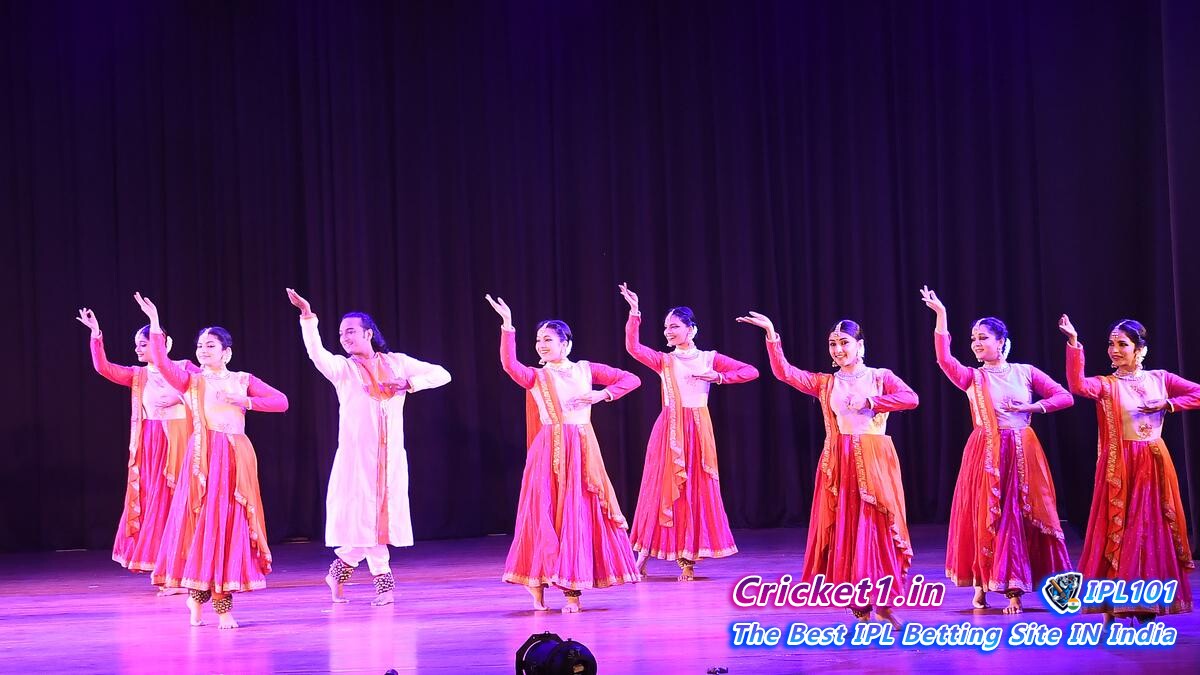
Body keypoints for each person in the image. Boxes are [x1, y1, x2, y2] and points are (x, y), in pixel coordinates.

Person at [738, 311, 917, 627]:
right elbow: (785, 373)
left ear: (860, 345)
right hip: (840, 460)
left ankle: (885, 603)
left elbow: (910, 398)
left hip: (876, 458)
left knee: (877, 529)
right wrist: (771, 332)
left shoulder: (880, 376)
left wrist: (872, 402)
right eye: (833, 344)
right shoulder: (826, 383)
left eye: (844, 342)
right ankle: (859, 605)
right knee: (847, 530)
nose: (838, 349)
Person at [286, 288, 451, 606]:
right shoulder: (343, 370)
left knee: (376, 520)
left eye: (350, 331)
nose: (344, 337)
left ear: (368, 333)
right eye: (341, 333)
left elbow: (442, 374)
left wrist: (409, 383)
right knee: (368, 519)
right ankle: (384, 583)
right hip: (357, 458)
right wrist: (308, 317)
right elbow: (316, 353)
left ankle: (338, 571)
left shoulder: (398, 364)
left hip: (389, 458)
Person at [136, 293, 288, 628]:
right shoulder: (192, 379)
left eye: (211, 345)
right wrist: (156, 322)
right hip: (204, 459)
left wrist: (243, 400)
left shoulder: (243, 380)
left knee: (229, 524)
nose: (204, 350)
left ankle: (221, 603)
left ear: (227, 352)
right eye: (201, 345)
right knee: (203, 523)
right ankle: (197, 596)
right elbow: (160, 362)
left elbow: (281, 402)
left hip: (236, 456)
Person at [920, 286, 1072, 614]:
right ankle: (981, 583)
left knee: (1019, 515)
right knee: (986, 517)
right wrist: (941, 316)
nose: (976, 343)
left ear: (1000, 341)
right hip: (985, 452)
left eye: (983, 337)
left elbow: (1065, 396)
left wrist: (1034, 407)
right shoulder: (972, 377)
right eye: (973, 338)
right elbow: (944, 359)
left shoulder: (1025, 372)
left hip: (1022, 451)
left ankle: (1015, 589)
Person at [485, 293, 640, 613]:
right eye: (539, 340)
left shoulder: (586, 370)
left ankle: (572, 591)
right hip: (548, 450)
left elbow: (632, 378)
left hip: (582, 449)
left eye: (549, 339)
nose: (542, 344)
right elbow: (509, 365)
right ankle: (536, 583)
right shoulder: (537, 376)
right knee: (543, 513)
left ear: (565, 344)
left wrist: (602, 396)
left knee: (577, 513)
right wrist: (508, 326)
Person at [1060, 314, 1199, 623]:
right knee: (1118, 529)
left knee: (1150, 528)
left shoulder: (1160, 379)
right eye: (1111, 344)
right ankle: (1113, 603)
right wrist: (1073, 343)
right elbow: (1077, 385)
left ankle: (1146, 604)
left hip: (1153, 461)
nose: (1114, 350)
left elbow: (1197, 393)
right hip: (1120, 465)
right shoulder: (1107, 385)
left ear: (1141, 350)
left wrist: (1168, 405)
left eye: (1122, 344)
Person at [619, 283, 758, 581]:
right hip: (669, 429)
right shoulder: (664, 360)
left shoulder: (709, 358)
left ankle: (687, 558)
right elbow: (633, 348)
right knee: (660, 489)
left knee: (694, 491)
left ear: (691, 329)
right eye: (666, 327)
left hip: (698, 428)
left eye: (675, 326)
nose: (669, 331)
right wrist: (634, 313)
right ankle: (642, 554)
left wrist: (718, 377)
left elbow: (750, 371)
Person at [76, 309, 197, 589]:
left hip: (180, 440)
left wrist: (180, 399)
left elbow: (205, 389)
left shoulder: (185, 367)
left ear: (160, 342)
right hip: (152, 442)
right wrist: (96, 334)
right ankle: (163, 567)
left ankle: (182, 567)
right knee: (156, 502)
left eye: (143, 343)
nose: (137, 349)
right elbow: (104, 368)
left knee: (179, 499)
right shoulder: (138, 375)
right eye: (137, 344)